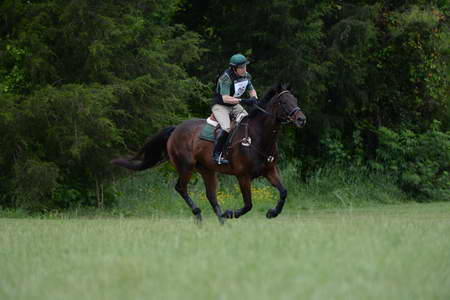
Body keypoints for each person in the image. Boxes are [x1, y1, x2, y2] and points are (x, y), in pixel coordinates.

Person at [211, 53, 259, 165]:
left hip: (234, 105)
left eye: (245, 66)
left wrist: (254, 98)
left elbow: (251, 89)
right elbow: (226, 98)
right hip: (220, 105)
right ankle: (217, 154)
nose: (244, 69)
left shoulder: (246, 75)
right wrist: (243, 101)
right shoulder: (226, 78)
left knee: (248, 121)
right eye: (241, 67)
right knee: (227, 127)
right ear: (234, 68)